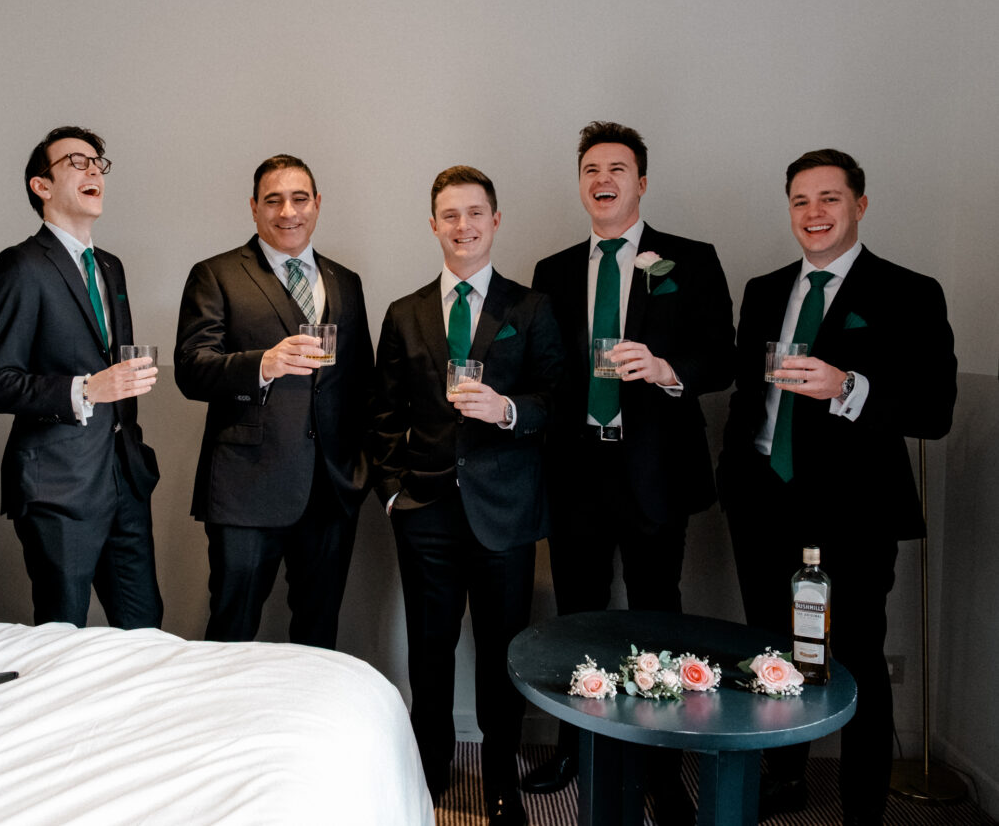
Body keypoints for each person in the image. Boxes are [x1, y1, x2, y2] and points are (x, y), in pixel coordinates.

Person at [719, 149, 956, 825]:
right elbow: (747, 393)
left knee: (854, 659)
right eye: (801, 200)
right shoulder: (765, 289)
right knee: (770, 650)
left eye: (829, 198)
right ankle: (785, 775)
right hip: (763, 499)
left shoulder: (910, 291)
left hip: (854, 512)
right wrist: (735, 474)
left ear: (860, 204)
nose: (814, 213)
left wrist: (848, 388)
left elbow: (934, 410)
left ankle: (861, 809)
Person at [525, 122, 735, 812]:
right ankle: (571, 747)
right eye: (590, 168)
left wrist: (667, 368)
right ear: (581, 181)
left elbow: (723, 355)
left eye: (616, 167)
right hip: (576, 470)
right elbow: (544, 370)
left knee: (657, 616)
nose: (602, 177)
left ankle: (659, 767)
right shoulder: (552, 271)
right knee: (575, 619)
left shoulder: (690, 259)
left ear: (641, 181)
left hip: (656, 470)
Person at [371, 165, 564, 825]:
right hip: (424, 509)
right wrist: (394, 491)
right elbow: (384, 411)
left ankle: (501, 780)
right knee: (429, 652)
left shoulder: (530, 309)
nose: (463, 225)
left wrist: (507, 409)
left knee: (502, 652)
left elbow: (554, 401)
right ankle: (430, 767)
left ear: (495, 220)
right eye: (449, 215)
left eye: (475, 212)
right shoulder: (404, 313)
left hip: (504, 510)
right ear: (433, 225)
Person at [174, 154, 373, 648]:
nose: (288, 211)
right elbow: (191, 370)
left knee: (318, 635)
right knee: (232, 632)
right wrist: (262, 364)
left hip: (329, 488)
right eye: (274, 200)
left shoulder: (346, 281)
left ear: (318, 204)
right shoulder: (216, 274)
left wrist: (360, 471)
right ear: (254, 208)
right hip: (246, 487)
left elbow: (360, 381)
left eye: (300, 198)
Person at [0, 126, 162, 629]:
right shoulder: (18, 265)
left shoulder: (110, 266)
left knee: (145, 631)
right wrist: (85, 390)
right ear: (42, 185)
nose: (94, 170)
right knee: (63, 630)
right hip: (57, 485)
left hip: (124, 475)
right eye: (77, 162)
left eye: (98, 163)